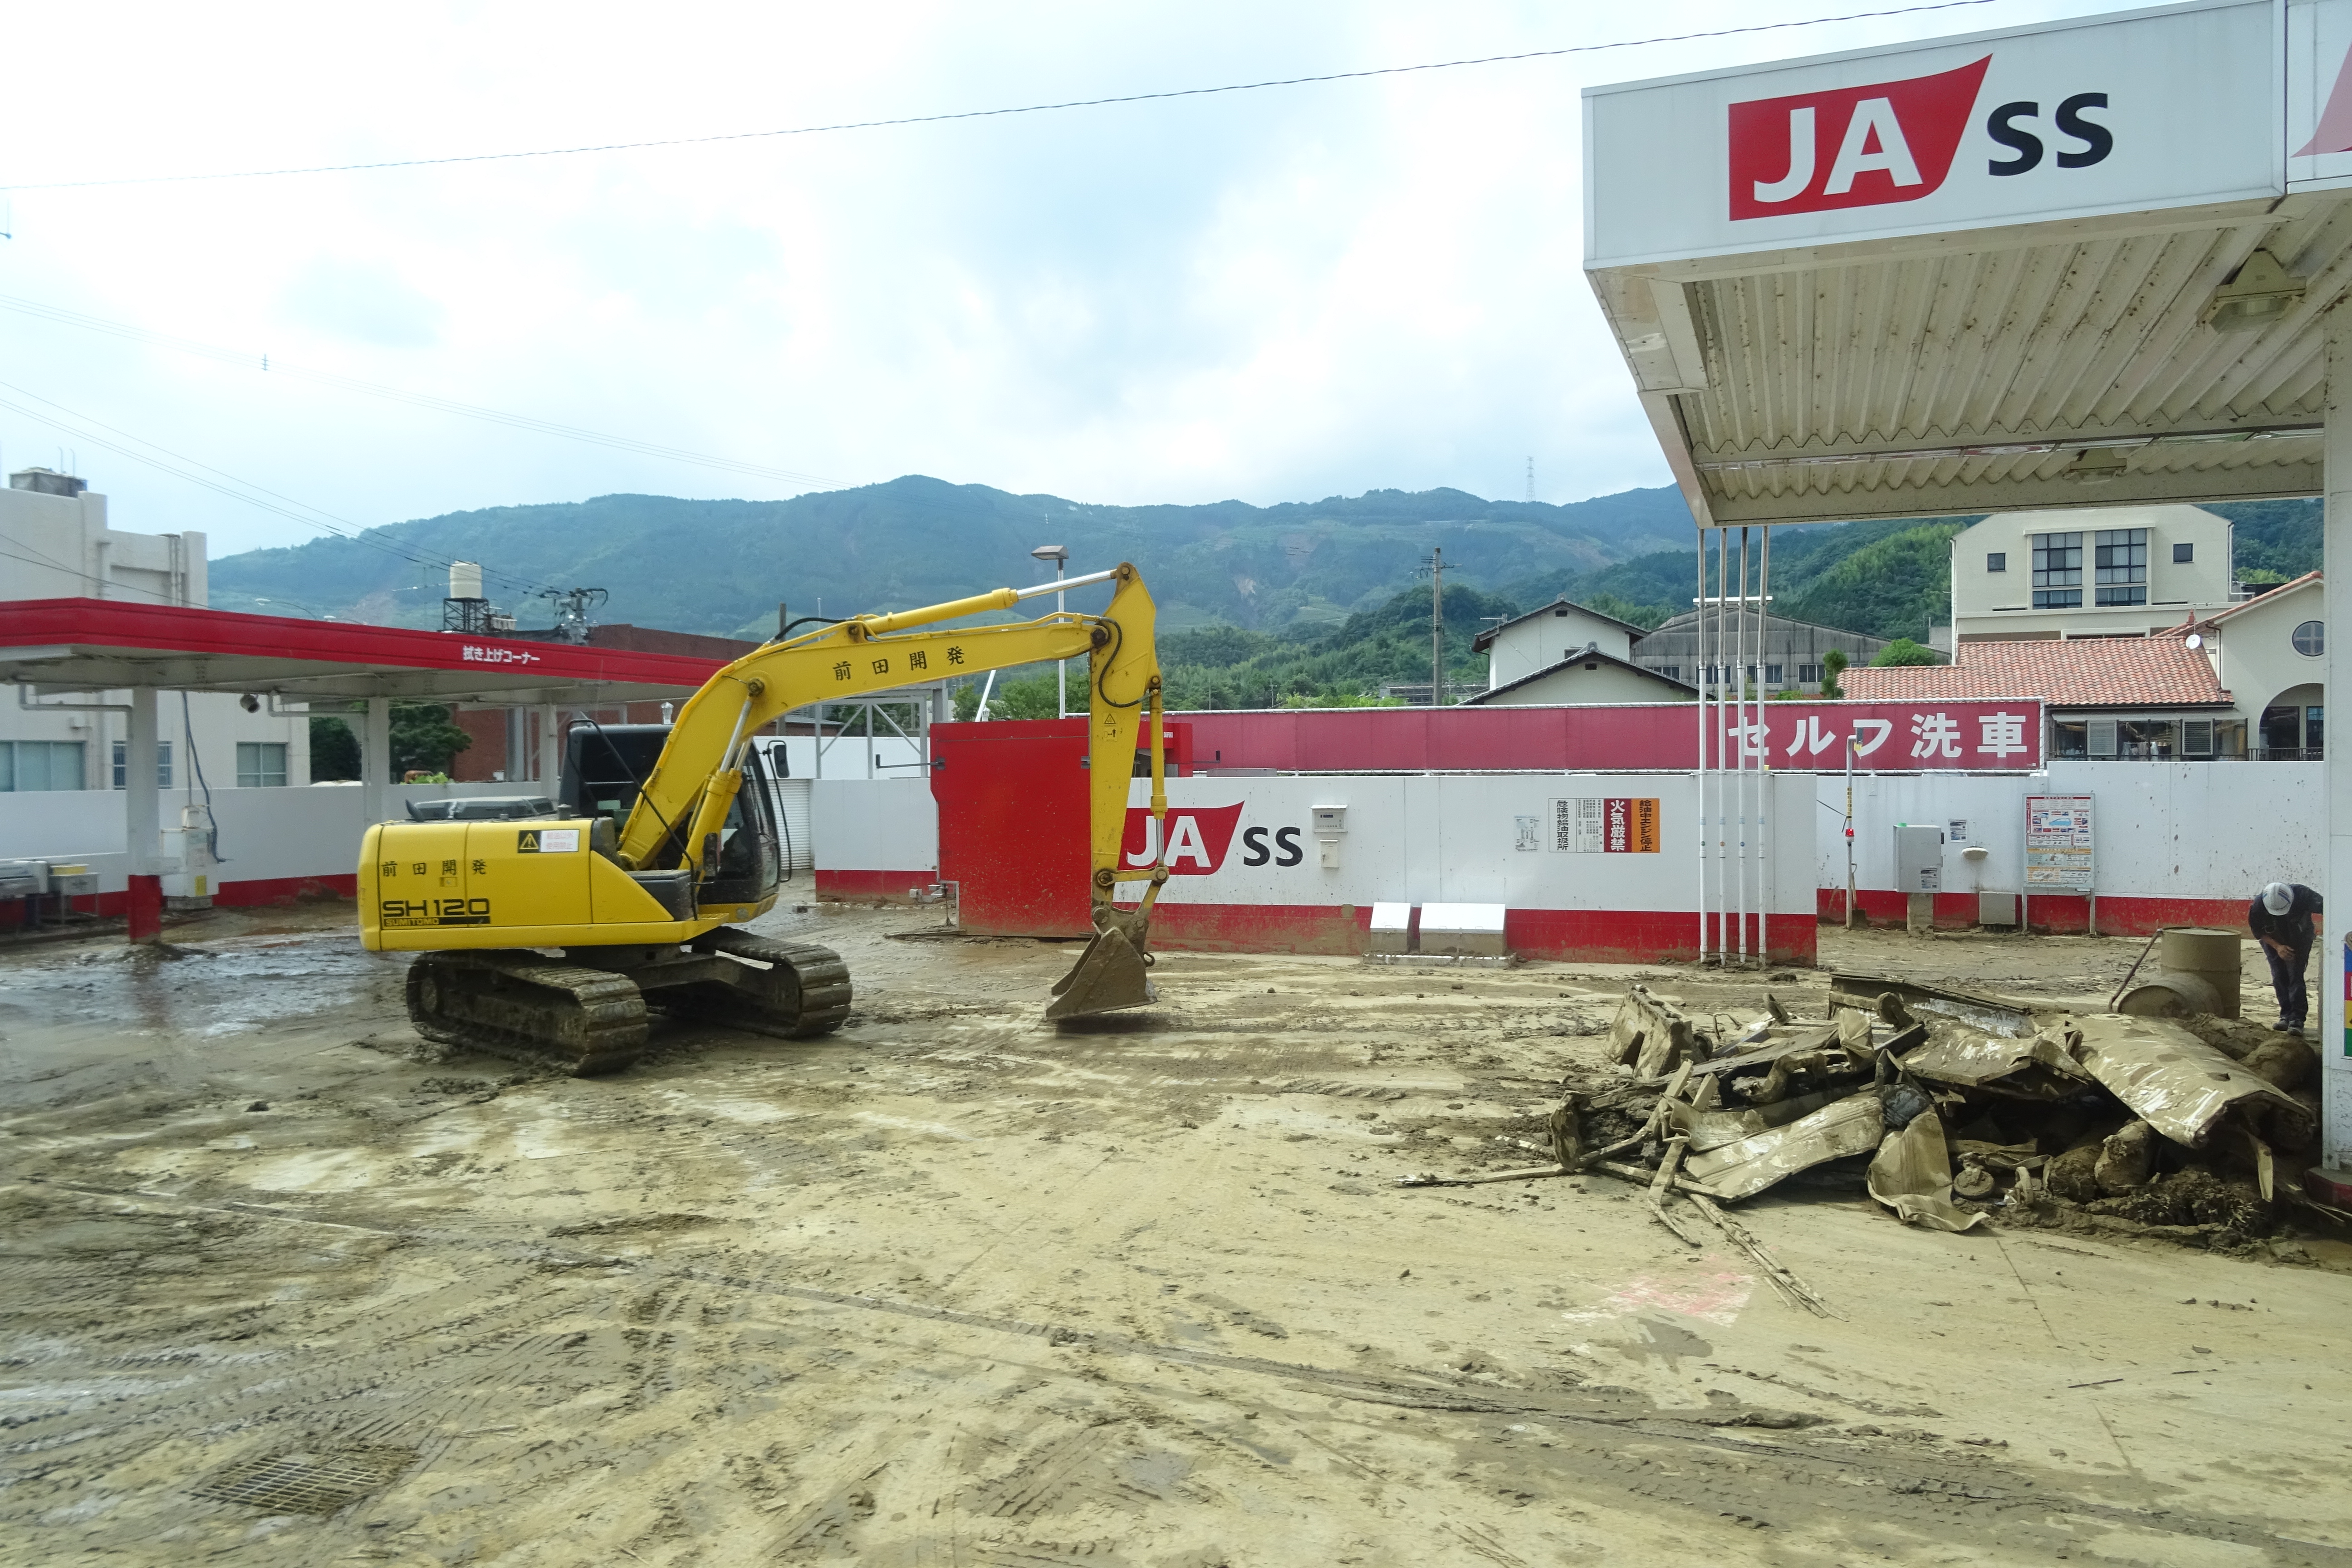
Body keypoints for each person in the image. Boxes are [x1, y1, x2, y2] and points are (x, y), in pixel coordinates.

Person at [2249, 881, 2323, 1034]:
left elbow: (2329, 907)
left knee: (2295, 975)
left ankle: (2297, 1019)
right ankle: (2286, 1015)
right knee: (2279, 975)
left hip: (2300, 938)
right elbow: (2258, 931)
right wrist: (2278, 947)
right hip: (2273, 940)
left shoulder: (2304, 895)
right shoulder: (2259, 905)